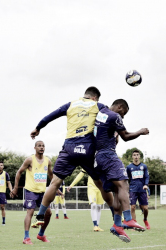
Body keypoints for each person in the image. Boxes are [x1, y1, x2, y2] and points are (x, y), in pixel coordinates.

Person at [31, 87, 114, 230]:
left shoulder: (70, 104)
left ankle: (40, 214)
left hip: (69, 147)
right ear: (95, 98)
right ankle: (116, 216)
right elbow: (112, 118)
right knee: (100, 184)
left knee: (55, 183)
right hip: (87, 148)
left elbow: (50, 116)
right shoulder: (98, 106)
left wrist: (38, 128)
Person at [94, 99, 149, 243]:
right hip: (108, 155)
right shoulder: (115, 116)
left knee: (116, 190)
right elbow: (125, 136)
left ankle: (117, 225)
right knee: (124, 184)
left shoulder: (101, 111)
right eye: (124, 113)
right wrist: (141, 131)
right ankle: (129, 219)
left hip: (97, 158)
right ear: (119, 107)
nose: (123, 117)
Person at [10, 140, 53, 245]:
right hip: (31, 191)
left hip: (43, 192)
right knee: (30, 211)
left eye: (43, 146)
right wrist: (15, 188)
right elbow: (19, 172)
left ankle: (41, 234)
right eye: (39, 146)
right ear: (35, 148)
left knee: (49, 213)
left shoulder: (48, 161)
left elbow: (51, 175)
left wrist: (56, 188)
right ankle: (26, 238)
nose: (41, 147)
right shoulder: (30, 160)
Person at [126, 150, 150, 229]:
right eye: (134, 155)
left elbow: (146, 176)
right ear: (132, 157)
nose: (136, 156)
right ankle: (134, 224)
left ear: (139, 156)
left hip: (142, 190)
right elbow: (127, 178)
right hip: (133, 189)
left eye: (137, 155)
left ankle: (145, 220)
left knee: (145, 208)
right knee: (132, 207)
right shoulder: (129, 167)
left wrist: (146, 185)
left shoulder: (144, 166)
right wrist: (127, 188)